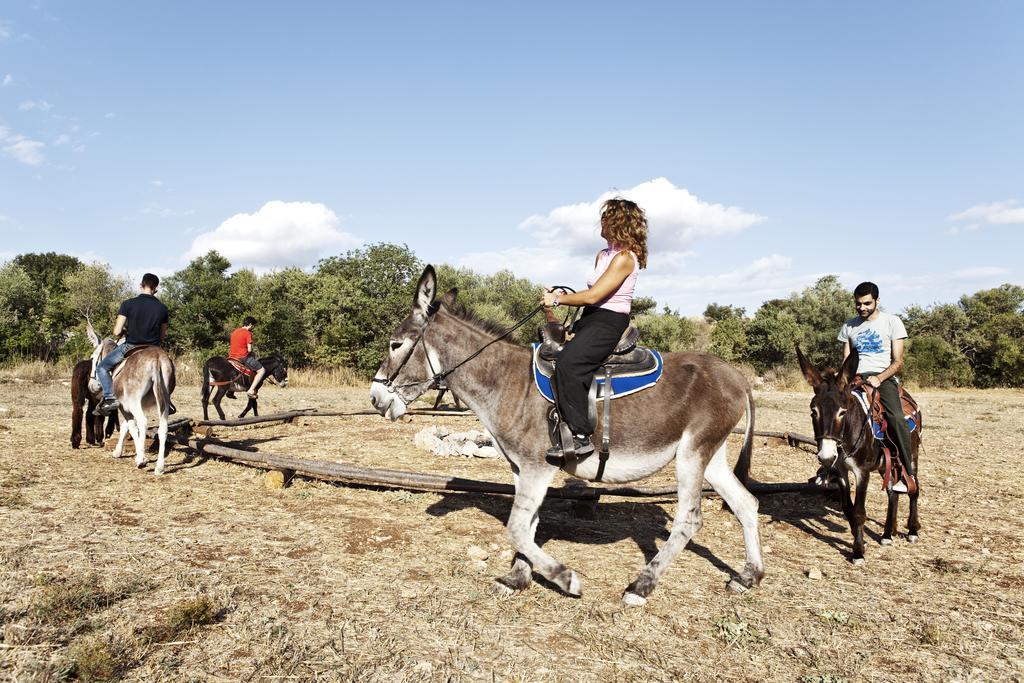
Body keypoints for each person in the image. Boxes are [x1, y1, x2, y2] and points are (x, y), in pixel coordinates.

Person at [540, 197, 648, 458]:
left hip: (609, 320)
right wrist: (560, 296)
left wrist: (557, 299)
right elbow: (589, 298)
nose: (601, 222)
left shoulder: (625, 258)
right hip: (592, 317)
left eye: (606, 217)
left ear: (618, 223)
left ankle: (580, 436)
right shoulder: (603, 254)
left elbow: (593, 296)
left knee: (570, 363)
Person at [838, 281, 917, 493]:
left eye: (867, 303)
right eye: (858, 304)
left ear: (877, 301)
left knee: (896, 419)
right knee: (830, 412)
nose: (862, 308)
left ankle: (907, 474)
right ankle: (830, 467)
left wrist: (879, 378)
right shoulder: (849, 326)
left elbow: (898, 361)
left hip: (883, 379)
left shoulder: (892, 322)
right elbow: (847, 359)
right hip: (855, 379)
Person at [94, 273, 169, 415]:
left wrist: (125, 330)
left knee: (102, 367)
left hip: (131, 346)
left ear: (141, 285)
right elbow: (163, 335)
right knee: (168, 369)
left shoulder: (128, 304)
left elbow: (116, 332)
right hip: (154, 349)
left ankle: (110, 398)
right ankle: (167, 400)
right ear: (156, 288)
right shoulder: (162, 309)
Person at [229, 316, 266, 399]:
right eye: (253, 326)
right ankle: (251, 390)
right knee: (261, 370)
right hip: (242, 357)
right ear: (250, 324)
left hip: (231, 357)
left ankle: (230, 390)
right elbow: (249, 350)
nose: (253, 328)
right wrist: (252, 353)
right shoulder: (248, 333)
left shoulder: (234, 331)